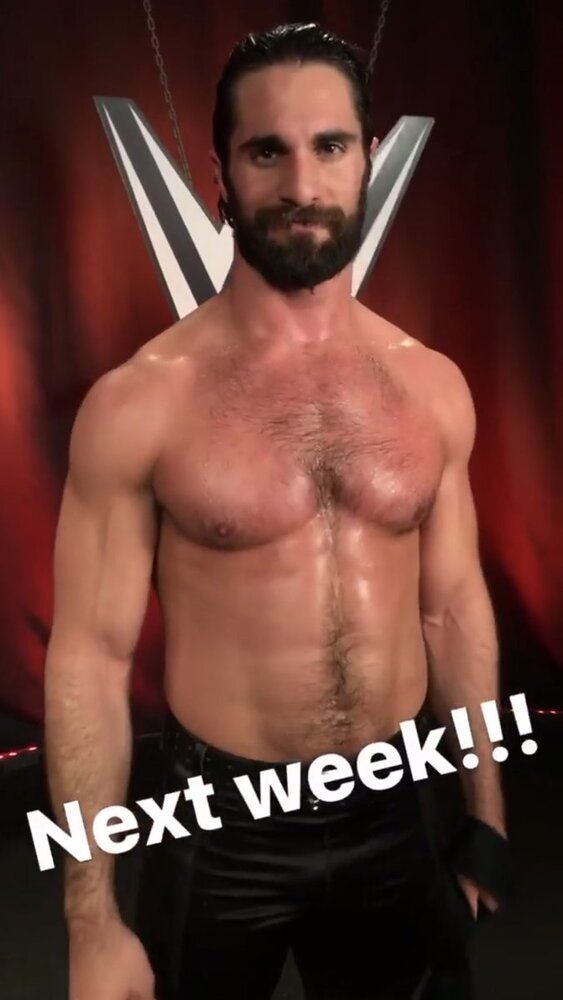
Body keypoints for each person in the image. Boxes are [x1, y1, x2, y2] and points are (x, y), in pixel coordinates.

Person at [44, 22, 510, 1000]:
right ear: (221, 176)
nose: (301, 183)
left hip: (395, 800)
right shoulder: (140, 403)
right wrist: (91, 920)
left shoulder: (429, 386)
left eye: (328, 146)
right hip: (219, 819)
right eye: (267, 151)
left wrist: (486, 810)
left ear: (366, 159)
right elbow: (88, 658)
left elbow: (450, 605)